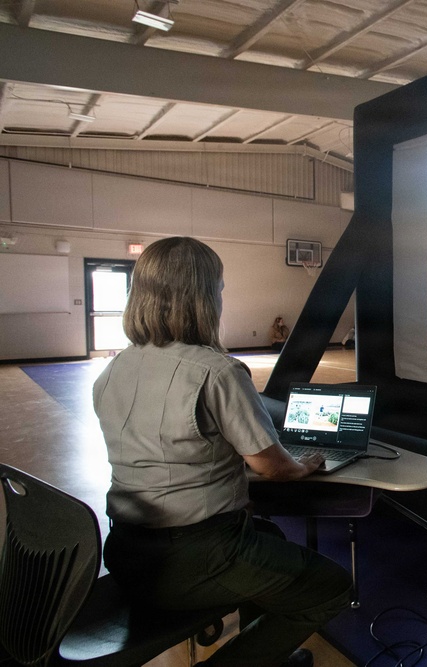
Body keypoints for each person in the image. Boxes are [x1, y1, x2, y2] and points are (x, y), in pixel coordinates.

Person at [93, 237, 352, 667]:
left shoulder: (114, 368)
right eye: (218, 287)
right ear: (203, 297)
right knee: (332, 586)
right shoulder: (218, 371)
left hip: (125, 550)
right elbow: (273, 467)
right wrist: (303, 465)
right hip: (193, 557)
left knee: (268, 538)